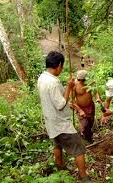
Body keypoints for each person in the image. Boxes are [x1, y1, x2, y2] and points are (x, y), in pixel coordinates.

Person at [37, 51, 91, 182]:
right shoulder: (53, 83)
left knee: (57, 145)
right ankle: (84, 177)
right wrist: (68, 87)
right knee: (78, 148)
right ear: (59, 65)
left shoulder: (42, 78)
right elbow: (60, 104)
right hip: (60, 123)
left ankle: (60, 168)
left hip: (50, 120)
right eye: (62, 66)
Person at [71, 70, 102, 143]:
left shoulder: (91, 82)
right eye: (79, 80)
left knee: (90, 122)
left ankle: (88, 135)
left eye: (82, 80)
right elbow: (72, 100)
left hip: (90, 106)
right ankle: (88, 138)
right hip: (81, 107)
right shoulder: (74, 85)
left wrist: (97, 98)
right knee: (84, 124)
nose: (81, 81)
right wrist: (79, 110)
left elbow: (95, 91)